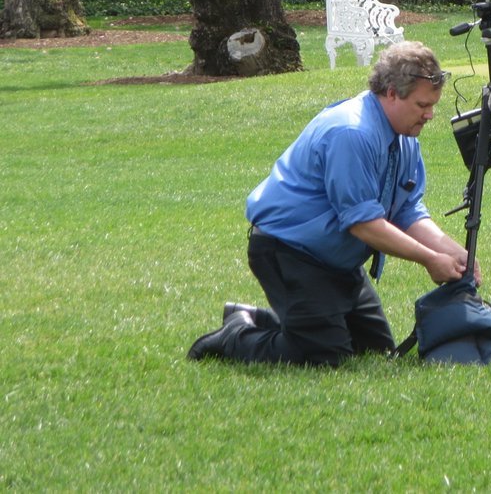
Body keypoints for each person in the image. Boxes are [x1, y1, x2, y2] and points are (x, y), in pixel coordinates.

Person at [188, 41, 475, 365]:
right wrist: (429, 260)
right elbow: (363, 223)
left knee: (373, 351)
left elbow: (407, 210)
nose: (430, 114)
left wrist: (451, 252)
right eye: (422, 104)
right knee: (323, 355)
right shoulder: (352, 131)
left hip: (337, 261)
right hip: (289, 250)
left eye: (433, 104)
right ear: (392, 93)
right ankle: (235, 334)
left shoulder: (404, 136)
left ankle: (279, 320)